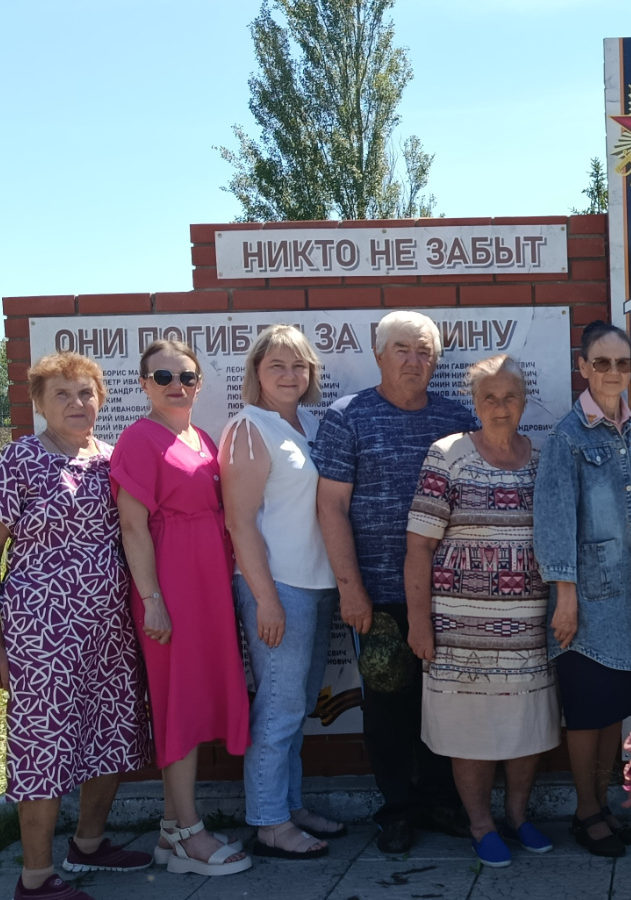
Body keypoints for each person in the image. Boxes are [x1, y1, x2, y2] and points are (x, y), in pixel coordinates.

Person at [0, 352, 153, 900]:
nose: (77, 404)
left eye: (85, 393)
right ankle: (35, 877)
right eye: (62, 395)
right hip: (40, 636)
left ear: (101, 399)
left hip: (110, 631)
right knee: (42, 744)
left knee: (113, 732)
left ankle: (89, 845)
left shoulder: (113, 459)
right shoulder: (20, 460)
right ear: (40, 404)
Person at [312, 310, 476, 852]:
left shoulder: (457, 418)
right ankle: (397, 810)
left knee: (444, 701)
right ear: (379, 355)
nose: (413, 360)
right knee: (387, 704)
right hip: (378, 593)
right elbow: (331, 508)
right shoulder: (348, 417)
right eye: (402, 349)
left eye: (424, 351)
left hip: (449, 594)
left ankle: (440, 802)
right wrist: (350, 588)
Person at [405, 354, 559, 869]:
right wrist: (419, 622)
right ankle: (480, 824)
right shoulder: (447, 455)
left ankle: (517, 815)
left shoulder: (542, 459)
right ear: (474, 402)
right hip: (459, 630)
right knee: (468, 728)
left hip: (528, 628)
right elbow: (419, 547)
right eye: (489, 397)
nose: (500, 406)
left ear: (524, 401)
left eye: (510, 396)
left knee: (527, 724)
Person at [111, 339, 252, 876]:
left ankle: (172, 832)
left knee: (194, 697)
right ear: (144, 384)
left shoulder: (201, 438)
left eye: (186, 376)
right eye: (163, 377)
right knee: (177, 703)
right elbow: (132, 526)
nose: (177, 385)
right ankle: (191, 835)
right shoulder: (139, 438)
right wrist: (152, 600)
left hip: (207, 584)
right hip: (170, 586)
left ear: (199, 383)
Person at [534, 321, 631, 858]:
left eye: (622, 363)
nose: (613, 372)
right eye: (602, 362)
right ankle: (585, 811)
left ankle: (603, 805)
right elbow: (554, 523)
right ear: (583, 368)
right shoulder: (567, 438)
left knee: (614, 711)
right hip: (588, 600)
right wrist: (565, 597)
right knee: (587, 712)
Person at [220, 325, 347, 860]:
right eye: (277, 365)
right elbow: (239, 521)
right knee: (277, 708)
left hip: (317, 585)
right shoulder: (249, 428)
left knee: (297, 706)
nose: (290, 375)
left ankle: (289, 806)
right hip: (277, 587)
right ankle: (270, 822)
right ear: (257, 372)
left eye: (299, 365)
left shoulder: (311, 423)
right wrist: (266, 598)